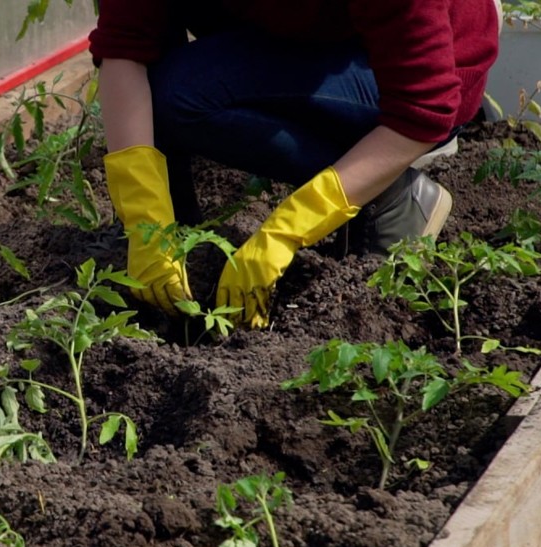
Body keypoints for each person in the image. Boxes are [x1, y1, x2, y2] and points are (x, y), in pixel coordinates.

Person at [89, 0, 502, 329]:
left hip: (414, 69)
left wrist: (289, 230)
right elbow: (124, 46)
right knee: (171, 79)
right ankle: (180, 246)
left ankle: (390, 195)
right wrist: (146, 222)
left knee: (182, 95)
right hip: (288, 34)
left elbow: (424, 107)